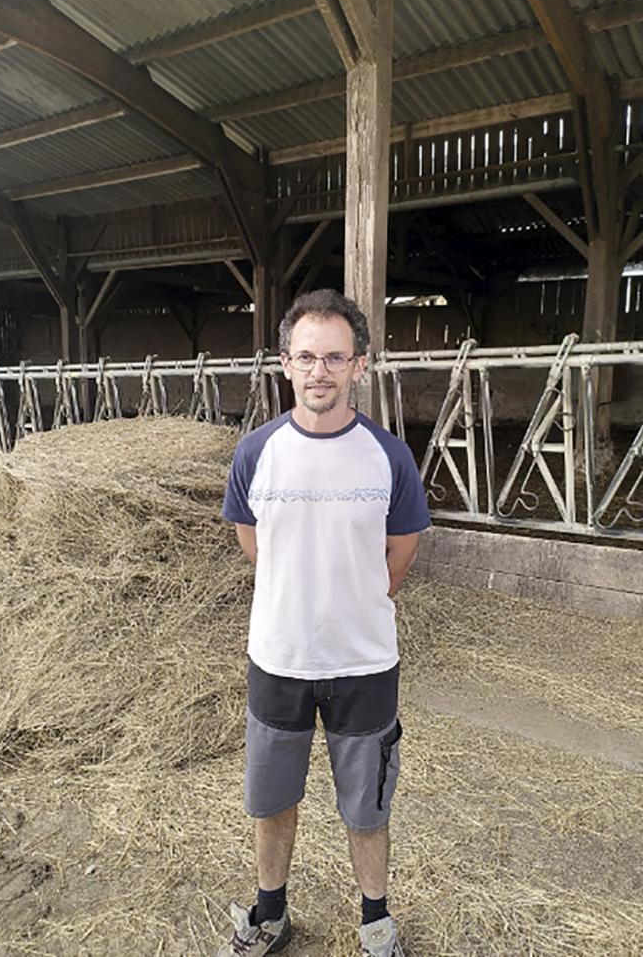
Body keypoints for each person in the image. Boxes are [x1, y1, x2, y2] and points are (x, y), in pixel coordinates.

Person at [218, 289, 431, 957]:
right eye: (305, 356)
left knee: (366, 805)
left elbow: (399, 553)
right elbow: (251, 540)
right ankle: (270, 917)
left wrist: (350, 600)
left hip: (364, 664)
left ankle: (375, 923)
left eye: (334, 357)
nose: (319, 371)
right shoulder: (256, 453)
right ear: (284, 364)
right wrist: (300, 595)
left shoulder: (387, 456)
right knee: (272, 800)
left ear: (359, 366)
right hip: (278, 658)